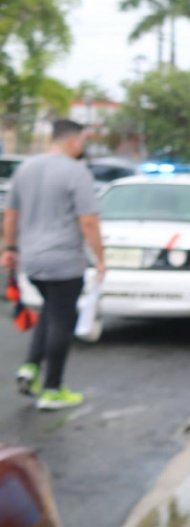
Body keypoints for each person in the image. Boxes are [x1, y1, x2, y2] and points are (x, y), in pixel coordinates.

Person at [1, 119, 106, 411]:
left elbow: (10, 214)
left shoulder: (25, 168)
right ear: (73, 141)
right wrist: (100, 258)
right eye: (82, 141)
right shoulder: (76, 172)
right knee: (62, 319)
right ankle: (52, 389)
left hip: (32, 258)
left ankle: (31, 367)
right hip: (64, 259)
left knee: (50, 309)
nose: (83, 146)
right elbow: (88, 220)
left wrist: (10, 248)